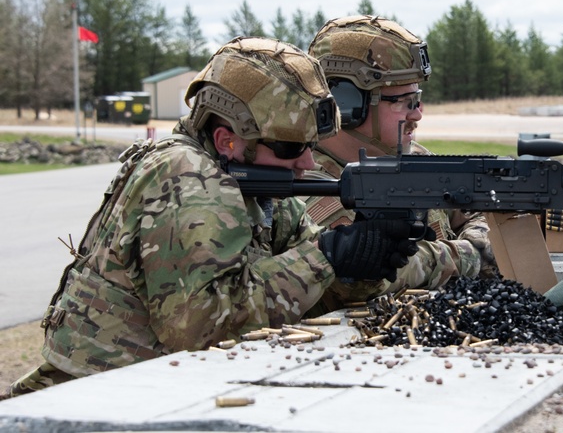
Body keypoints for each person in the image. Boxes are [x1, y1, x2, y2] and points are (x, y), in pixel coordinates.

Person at [8, 37, 420, 396]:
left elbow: (300, 294)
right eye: (291, 149)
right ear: (227, 140)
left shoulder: (260, 190)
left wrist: (360, 262)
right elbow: (203, 328)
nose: (307, 162)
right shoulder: (185, 178)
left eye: (311, 145)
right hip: (96, 396)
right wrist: (326, 258)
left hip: (161, 390)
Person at [303, 15, 497, 296]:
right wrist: (475, 255)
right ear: (346, 104)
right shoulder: (308, 187)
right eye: (405, 102)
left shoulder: (412, 156)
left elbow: (477, 212)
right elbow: (375, 279)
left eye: (416, 99)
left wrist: (470, 242)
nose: (418, 114)